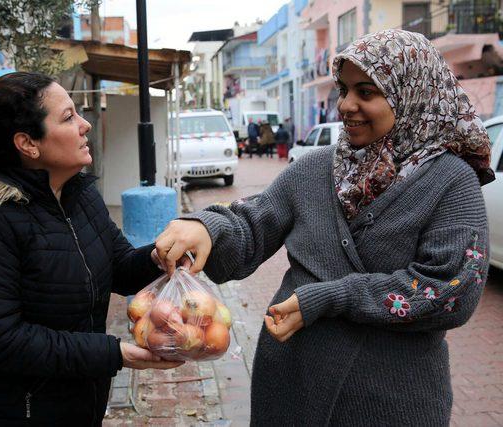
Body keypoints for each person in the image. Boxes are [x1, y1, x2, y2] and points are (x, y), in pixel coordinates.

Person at [154, 30, 494, 425]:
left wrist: (331, 298)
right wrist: (209, 228)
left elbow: (452, 288)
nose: (346, 105)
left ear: (411, 94)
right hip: (290, 388)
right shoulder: (316, 169)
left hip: (392, 402)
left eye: (366, 92)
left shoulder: (451, 181)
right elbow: (254, 219)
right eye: (344, 90)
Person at [0, 72, 182, 426]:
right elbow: (0, 339)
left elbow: (117, 265)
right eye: (68, 116)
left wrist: (162, 253)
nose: (85, 125)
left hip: (77, 404)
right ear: (28, 143)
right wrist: (114, 353)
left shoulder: (80, 195)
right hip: (9, 413)